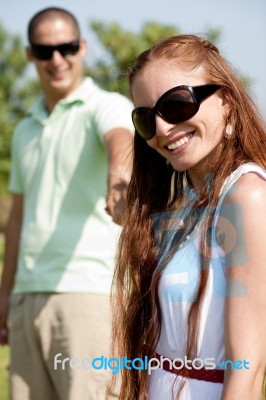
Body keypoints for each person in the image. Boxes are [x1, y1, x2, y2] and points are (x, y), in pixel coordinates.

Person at [112, 34, 266, 399]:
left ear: (225, 101)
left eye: (177, 105)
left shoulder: (247, 197)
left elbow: (248, 368)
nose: (163, 129)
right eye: (147, 119)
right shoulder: (183, 204)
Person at [0, 6, 133, 400]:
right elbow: (18, 218)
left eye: (67, 47)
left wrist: (119, 179)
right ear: (30, 55)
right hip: (27, 299)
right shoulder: (25, 128)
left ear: (83, 47)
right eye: (44, 51)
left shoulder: (104, 105)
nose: (57, 59)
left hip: (89, 296)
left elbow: (120, 140)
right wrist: (6, 294)